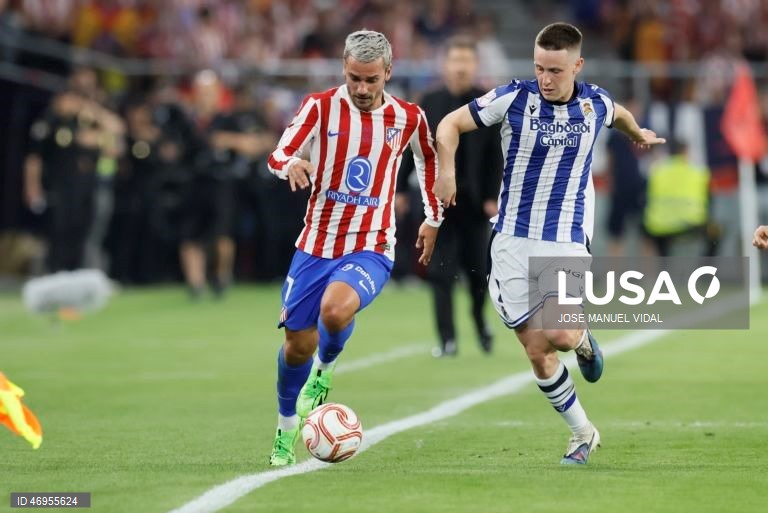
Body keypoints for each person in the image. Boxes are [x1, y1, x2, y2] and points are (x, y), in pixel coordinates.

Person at [433, 22, 665, 465]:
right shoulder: (513, 98)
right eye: (539, 68)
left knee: (557, 332)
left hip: (565, 236)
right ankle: (583, 433)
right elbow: (449, 124)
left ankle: (579, 340)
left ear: (576, 65)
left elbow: (620, 115)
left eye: (555, 70)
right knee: (536, 350)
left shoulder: (595, 103)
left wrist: (637, 135)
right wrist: (447, 170)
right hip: (511, 239)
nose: (545, 78)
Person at [266, 30, 443, 466]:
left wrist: (432, 216)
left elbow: (429, 160)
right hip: (316, 244)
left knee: (336, 310)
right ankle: (286, 427)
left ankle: (325, 373)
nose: (362, 89)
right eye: (354, 79)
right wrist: (292, 163)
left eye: (371, 80)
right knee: (296, 345)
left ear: (388, 72)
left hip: (372, 244)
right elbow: (278, 153)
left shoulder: (408, 117)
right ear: (343, 69)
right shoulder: (319, 106)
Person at [399, 36, 502, 357]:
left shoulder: (487, 103)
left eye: (466, 60)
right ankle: (447, 340)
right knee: (439, 272)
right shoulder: (427, 102)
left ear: (475, 65)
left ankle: (479, 320)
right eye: (455, 60)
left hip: (473, 204)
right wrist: (401, 188)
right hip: (436, 203)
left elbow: (494, 156)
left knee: (477, 274)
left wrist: (491, 196)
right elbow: (410, 148)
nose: (460, 67)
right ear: (445, 65)